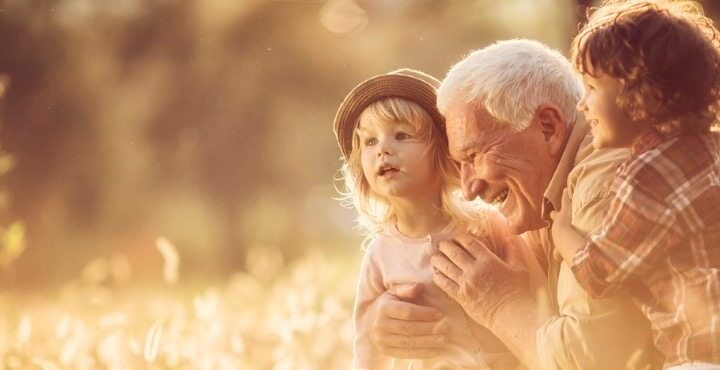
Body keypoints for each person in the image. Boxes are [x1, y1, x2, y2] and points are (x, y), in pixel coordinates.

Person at [370, 40, 662, 369]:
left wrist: (501, 305)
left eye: (474, 155)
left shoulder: (600, 185)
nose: (469, 189)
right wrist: (392, 317)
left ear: (547, 127)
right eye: (459, 166)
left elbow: (595, 361)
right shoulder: (548, 202)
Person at [547, 1, 720, 368]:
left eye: (592, 88)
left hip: (699, 353)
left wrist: (561, 231)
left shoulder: (650, 175)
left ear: (640, 94)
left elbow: (601, 273)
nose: (583, 105)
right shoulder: (711, 147)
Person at [334, 69, 525, 369]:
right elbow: (367, 346)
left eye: (401, 135)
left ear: (442, 152)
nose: (383, 149)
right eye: (369, 142)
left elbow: (532, 291)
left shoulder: (485, 225)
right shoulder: (380, 256)